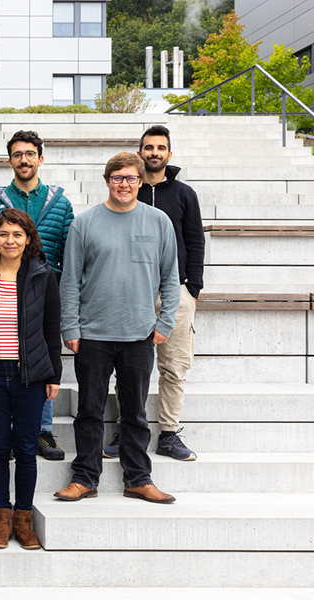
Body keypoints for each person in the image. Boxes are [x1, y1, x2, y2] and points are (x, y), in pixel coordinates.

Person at [55, 153, 180, 505]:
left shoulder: (159, 222)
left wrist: (165, 322)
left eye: (131, 178)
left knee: (136, 413)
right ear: (107, 180)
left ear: (141, 181)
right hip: (93, 334)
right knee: (89, 411)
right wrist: (71, 327)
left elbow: (171, 278)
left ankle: (138, 478)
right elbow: (70, 281)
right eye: (117, 177)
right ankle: (84, 478)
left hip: (140, 333)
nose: (124, 184)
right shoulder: (86, 223)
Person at [103, 125, 205, 462]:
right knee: (129, 367)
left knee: (174, 367)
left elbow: (195, 240)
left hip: (175, 291)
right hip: (133, 293)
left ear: (169, 154)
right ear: (140, 152)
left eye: (161, 148)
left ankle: (169, 434)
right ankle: (125, 429)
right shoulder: (128, 190)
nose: (154, 153)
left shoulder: (184, 194)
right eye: (148, 147)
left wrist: (193, 288)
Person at [0, 130, 73, 461]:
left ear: (40, 158)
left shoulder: (61, 204)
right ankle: (9, 434)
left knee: (39, 359)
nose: (24, 160)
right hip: (2, 296)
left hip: (44, 298)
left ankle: (40, 432)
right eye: (17, 154)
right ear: (10, 160)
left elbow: (69, 256)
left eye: (30, 154)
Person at [0, 208, 62, 551]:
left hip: (30, 375)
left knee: (25, 449)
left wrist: (53, 373)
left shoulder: (42, 273)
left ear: (28, 239)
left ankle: (23, 521)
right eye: (4, 234)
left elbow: (52, 326)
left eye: (17, 234)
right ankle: (1, 519)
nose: (10, 241)